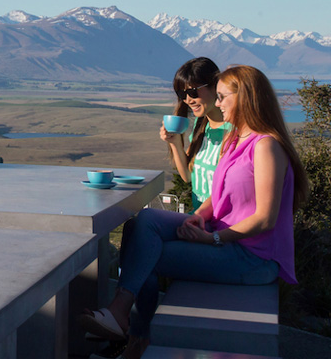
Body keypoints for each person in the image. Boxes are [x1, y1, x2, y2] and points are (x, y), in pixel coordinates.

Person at [81, 65, 310, 359]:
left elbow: (265, 218)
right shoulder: (237, 139)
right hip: (224, 238)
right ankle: (123, 321)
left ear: (246, 98)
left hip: (251, 258)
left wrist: (212, 240)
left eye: (223, 97)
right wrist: (200, 215)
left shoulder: (266, 147)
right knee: (145, 222)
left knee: (147, 254)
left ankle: (128, 328)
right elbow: (219, 193)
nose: (217, 103)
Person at [162, 57, 231, 210]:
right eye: (182, 94)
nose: (188, 100)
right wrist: (174, 143)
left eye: (193, 92)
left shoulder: (236, 131)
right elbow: (187, 176)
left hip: (219, 221)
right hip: (199, 217)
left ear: (215, 86)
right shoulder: (201, 127)